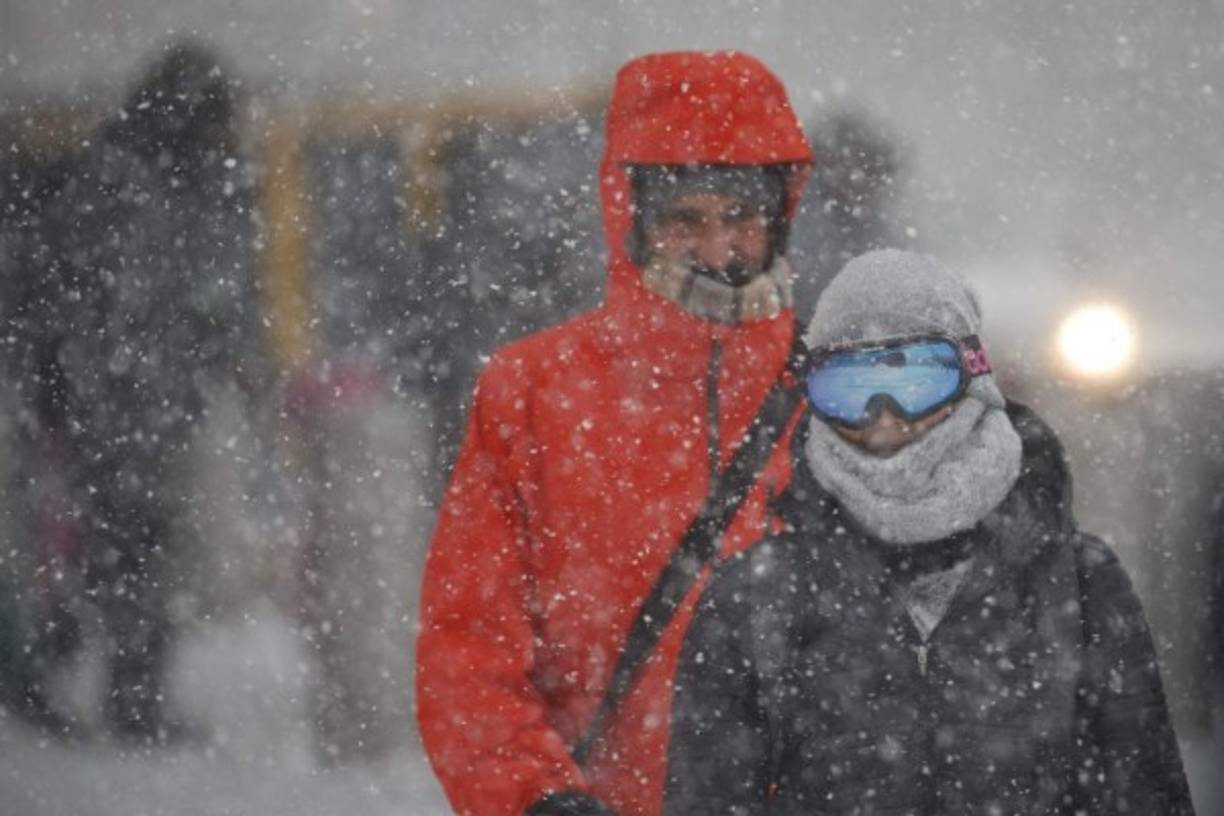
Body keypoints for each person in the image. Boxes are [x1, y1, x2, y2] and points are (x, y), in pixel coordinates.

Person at [415, 51, 813, 816]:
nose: (719, 250)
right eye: (684, 219)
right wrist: (537, 797)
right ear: (631, 218)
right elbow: (469, 646)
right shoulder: (531, 391)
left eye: (741, 217)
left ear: (779, 218)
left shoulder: (835, 389)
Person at [663, 249, 1196, 815]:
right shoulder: (758, 595)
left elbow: (1142, 792)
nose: (884, 416)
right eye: (848, 385)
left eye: (917, 378)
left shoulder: (1079, 583)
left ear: (971, 378)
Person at [53, 39, 262, 743]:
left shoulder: (127, 172)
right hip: (124, 405)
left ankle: (121, 690)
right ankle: (130, 700)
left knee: (121, 554)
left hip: (120, 402)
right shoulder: (144, 182)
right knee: (128, 554)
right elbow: (138, 303)